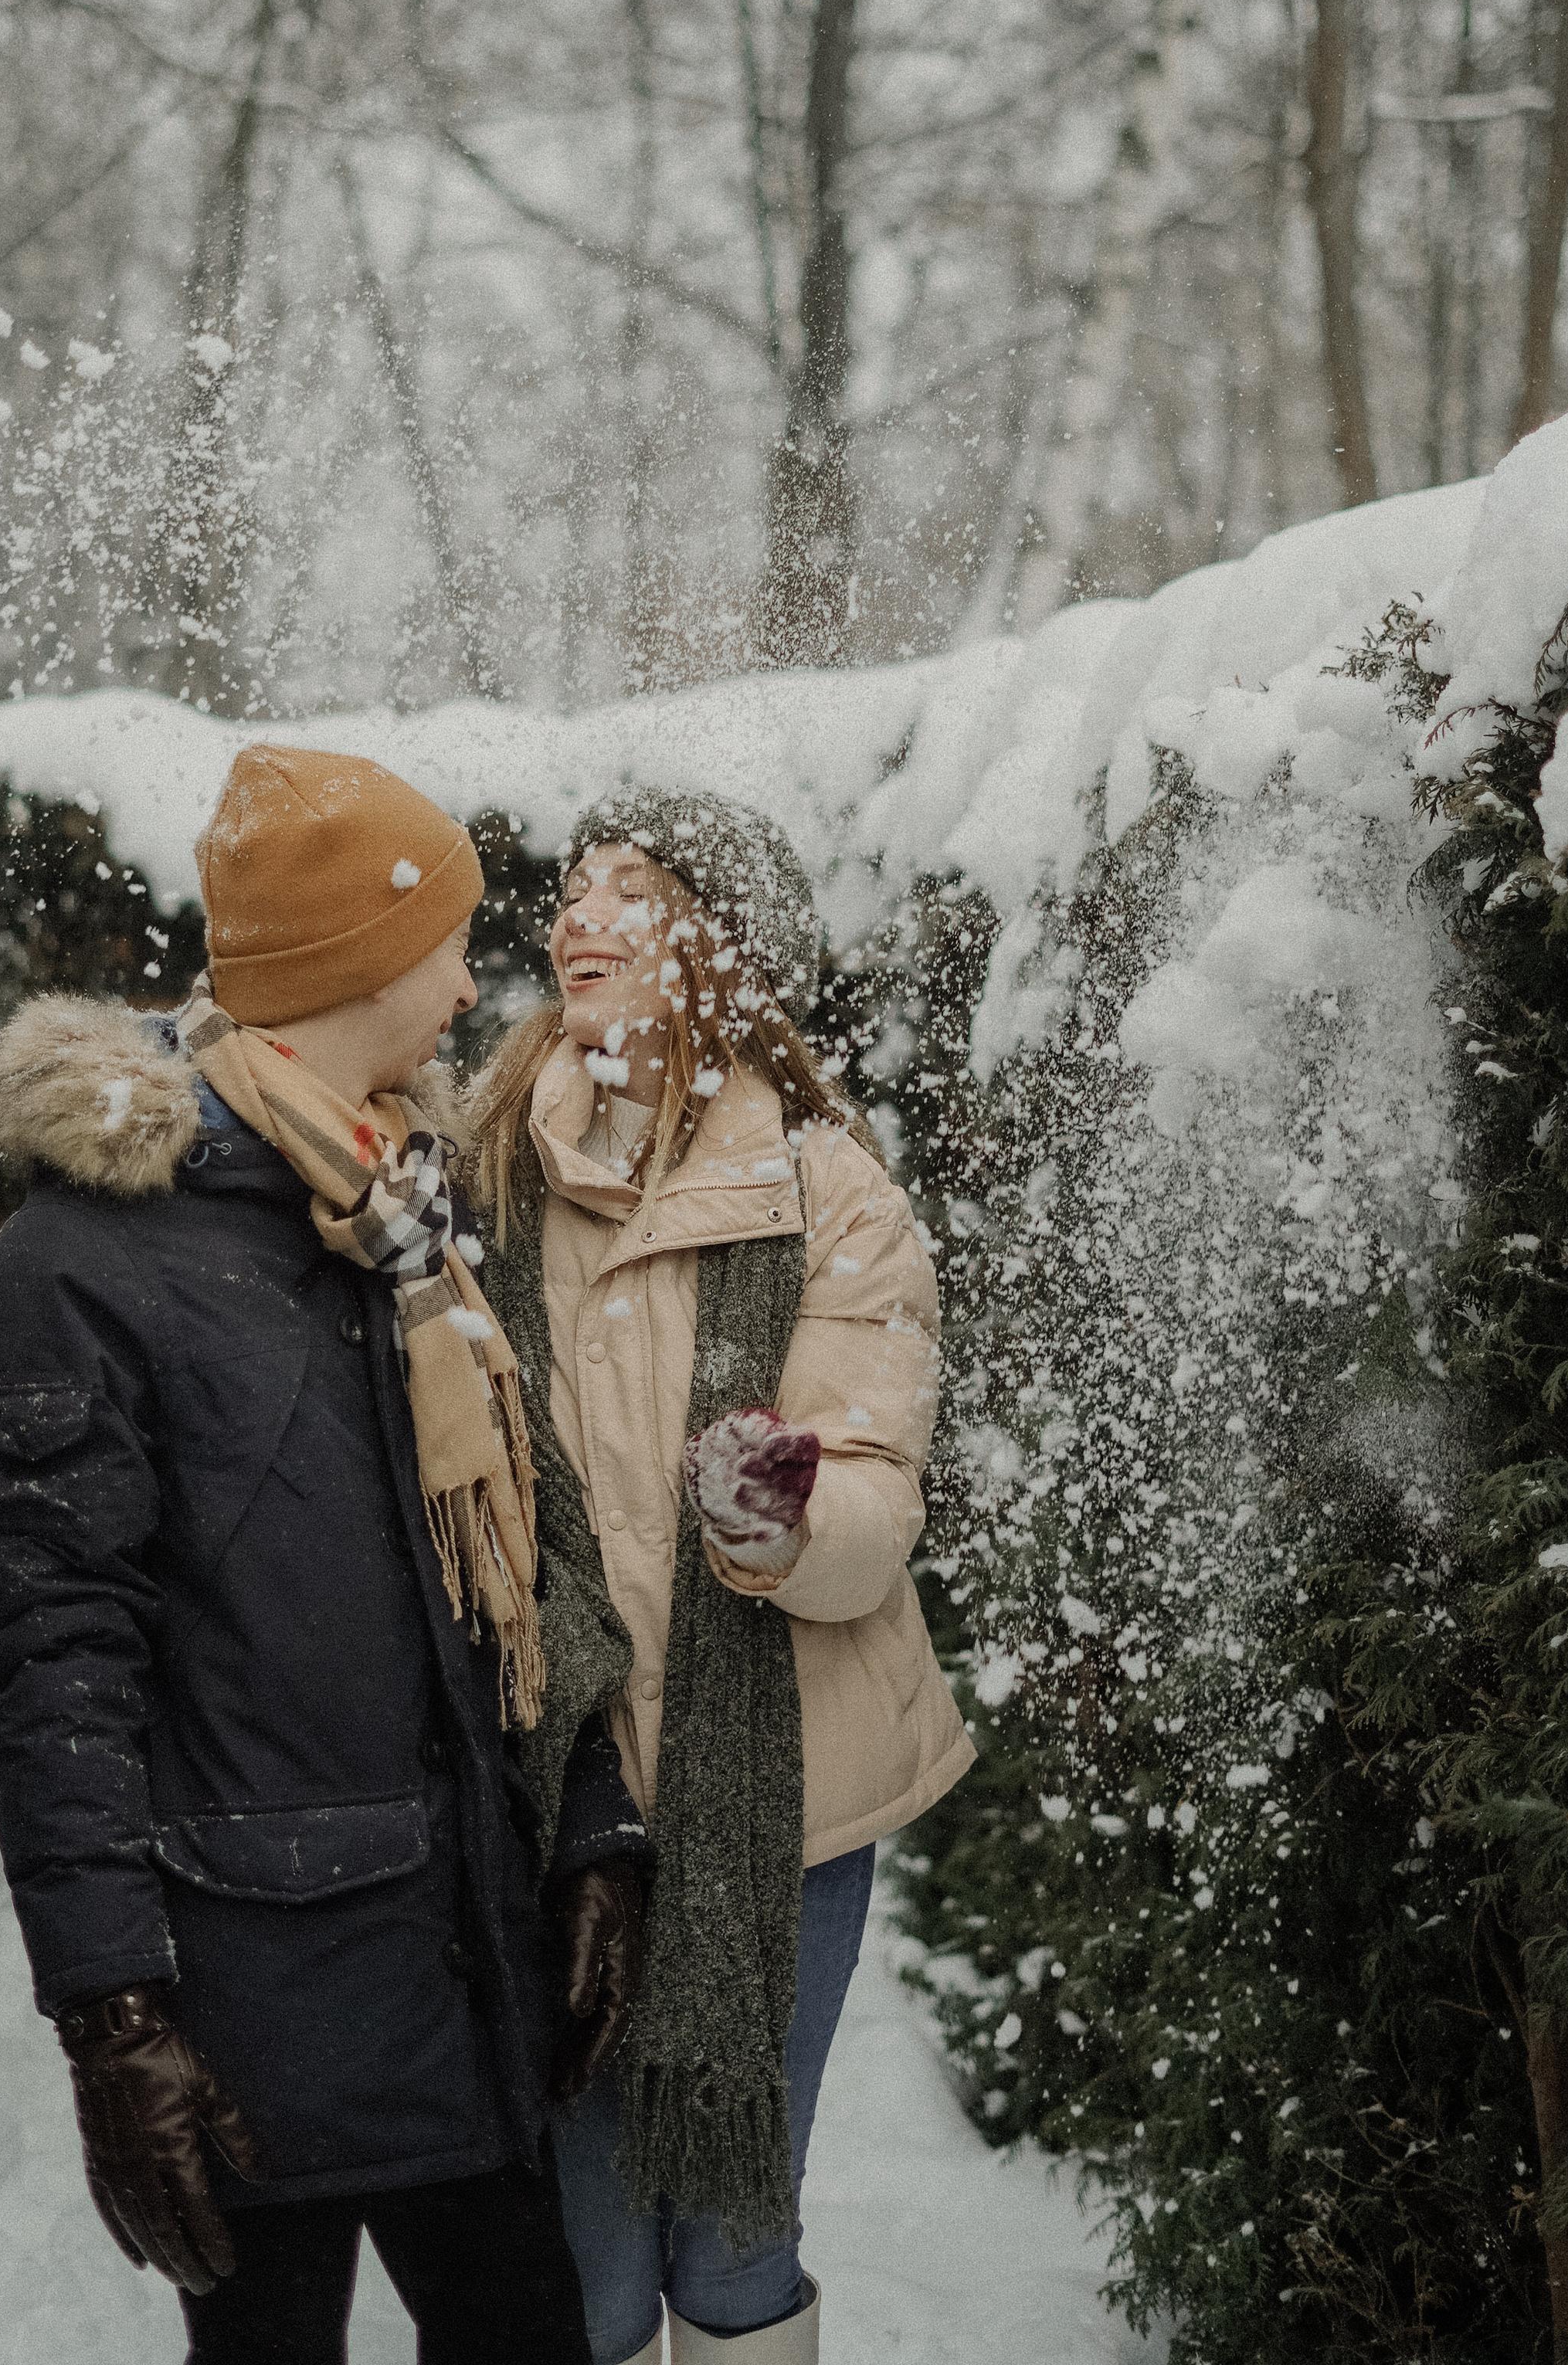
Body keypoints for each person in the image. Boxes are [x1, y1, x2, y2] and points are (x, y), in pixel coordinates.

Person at [0, 746, 650, 2365]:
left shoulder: (405, 1206)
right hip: (255, 2001)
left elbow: (512, 1550)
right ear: (358, 960)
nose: (476, 981)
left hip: (468, 1952)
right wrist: (113, 2018)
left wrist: (588, 1819)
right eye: (448, 942)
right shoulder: (85, 1261)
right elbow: (48, 1654)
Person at [469, 789, 976, 2365]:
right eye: (574, 887)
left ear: (720, 944)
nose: (581, 916)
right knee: (591, 2246)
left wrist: (782, 1525)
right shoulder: (479, 1171)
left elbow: (874, 1488)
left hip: (787, 1794)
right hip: (564, 1791)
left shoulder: (825, 1185)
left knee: (739, 2234)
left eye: (633, 890)